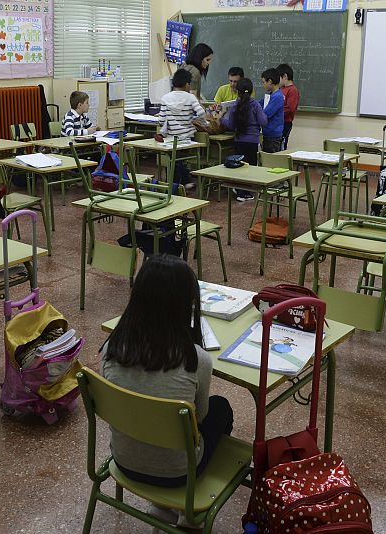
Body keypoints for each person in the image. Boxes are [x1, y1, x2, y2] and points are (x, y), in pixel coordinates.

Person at [100, 254, 234, 493]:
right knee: (221, 407)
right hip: (179, 474)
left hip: (122, 461)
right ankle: (191, 507)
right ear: (185, 303)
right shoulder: (197, 359)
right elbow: (199, 418)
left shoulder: (111, 347)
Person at [155, 68, 206, 189]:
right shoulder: (190, 98)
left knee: (175, 159)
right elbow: (201, 112)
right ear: (187, 84)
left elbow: (161, 121)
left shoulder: (165, 98)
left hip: (172, 139)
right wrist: (205, 123)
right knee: (179, 160)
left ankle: (178, 184)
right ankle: (180, 184)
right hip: (187, 138)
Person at [220, 78, 266, 202]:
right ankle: (243, 193)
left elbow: (230, 125)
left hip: (239, 140)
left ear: (237, 92)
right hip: (252, 142)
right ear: (251, 91)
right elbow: (263, 121)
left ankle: (239, 189)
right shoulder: (255, 105)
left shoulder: (236, 105)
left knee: (239, 166)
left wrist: (221, 118)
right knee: (250, 167)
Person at [258, 68, 285, 153]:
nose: (263, 85)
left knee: (271, 161)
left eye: (263, 82)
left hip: (273, 136)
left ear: (270, 81)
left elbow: (266, 114)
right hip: (267, 134)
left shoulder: (278, 97)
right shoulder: (270, 95)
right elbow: (258, 104)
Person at [276, 63, 300, 150]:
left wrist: (276, 112)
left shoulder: (293, 90)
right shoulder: (281, 89)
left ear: (285, 76)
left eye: (279, 78)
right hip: (278, 122)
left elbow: (289, 108)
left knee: (281, 145)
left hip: (285, 123)